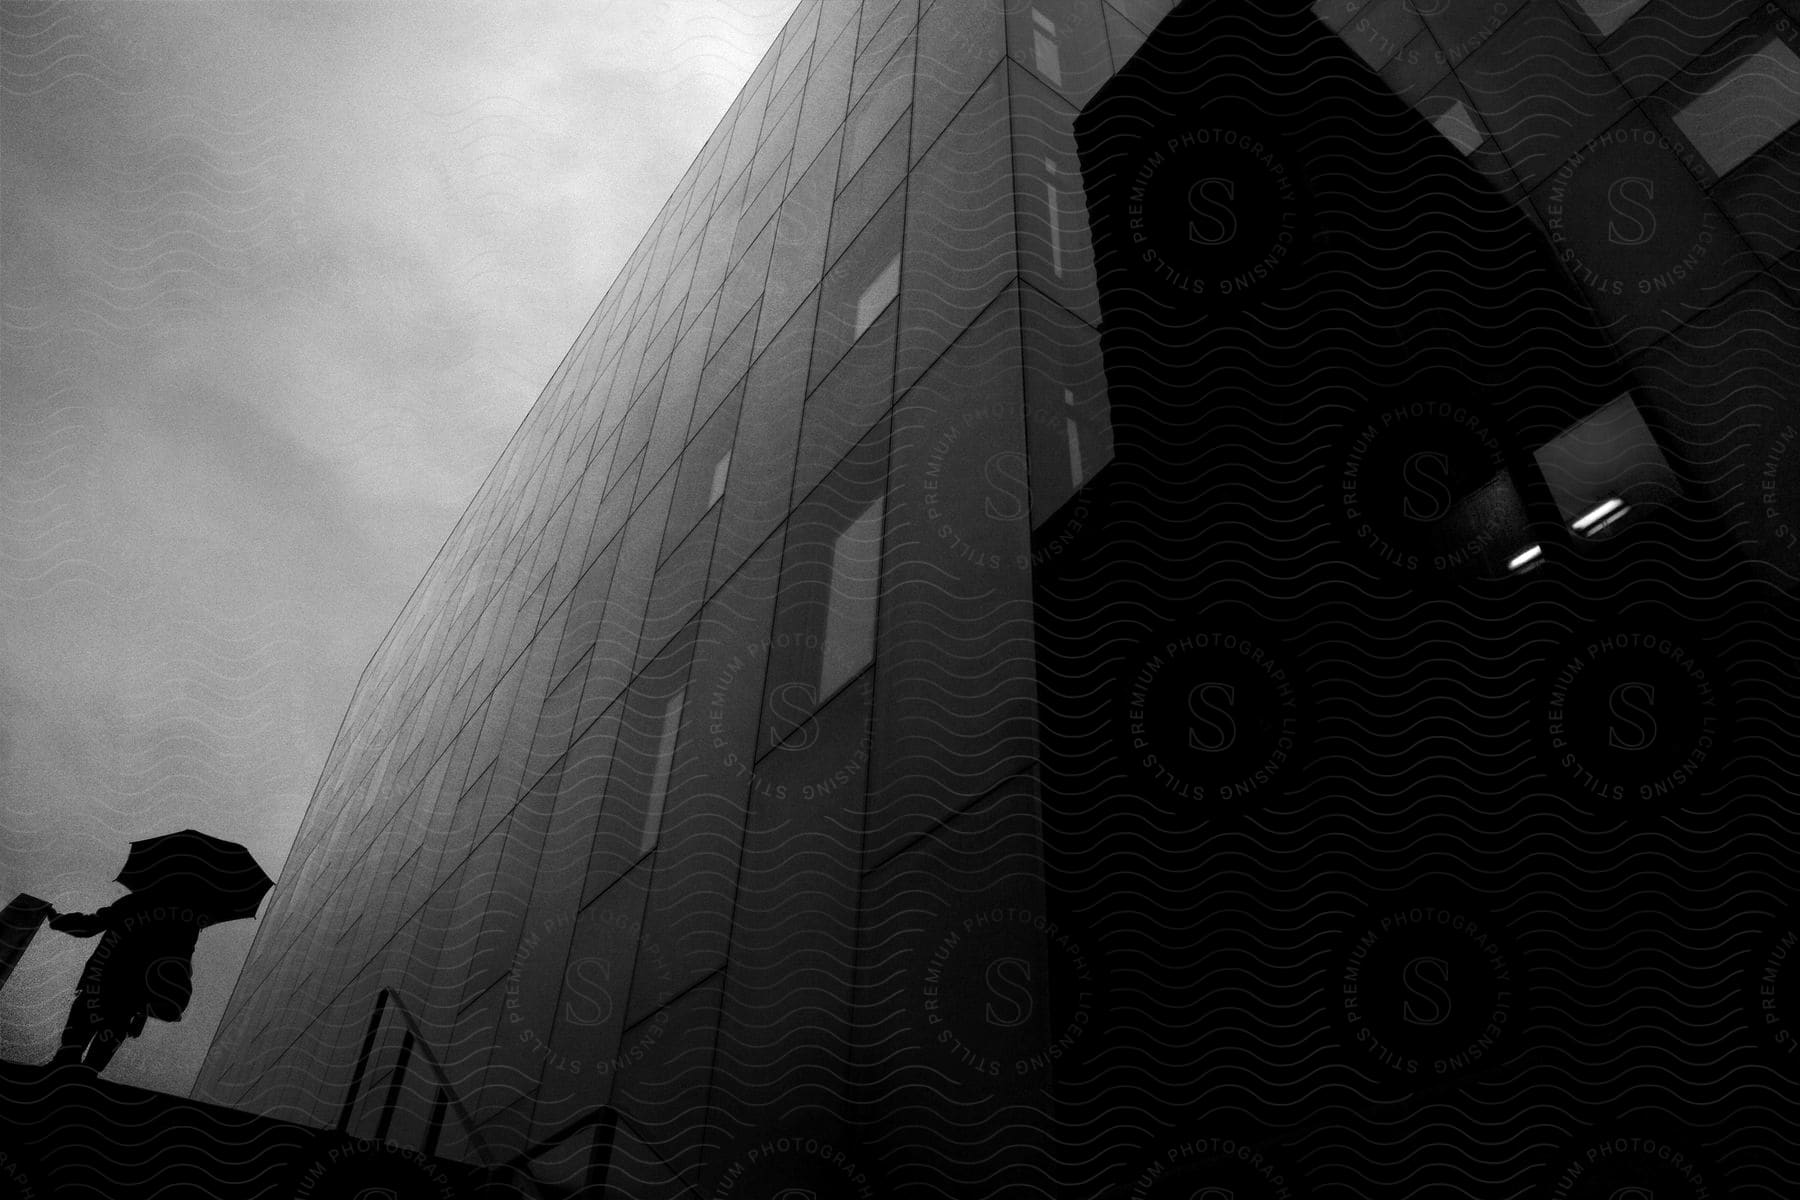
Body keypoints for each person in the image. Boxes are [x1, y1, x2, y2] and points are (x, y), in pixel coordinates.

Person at [45, 885, 206, 1074]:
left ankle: (63, 1075)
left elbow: (90, 926)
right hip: (131, 998)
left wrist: (56, 920)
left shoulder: (135, 902)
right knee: (92, 1065)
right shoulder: (186, 924)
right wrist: (142, 1013)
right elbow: (169, 971)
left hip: (103, 982)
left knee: (70, 1050)